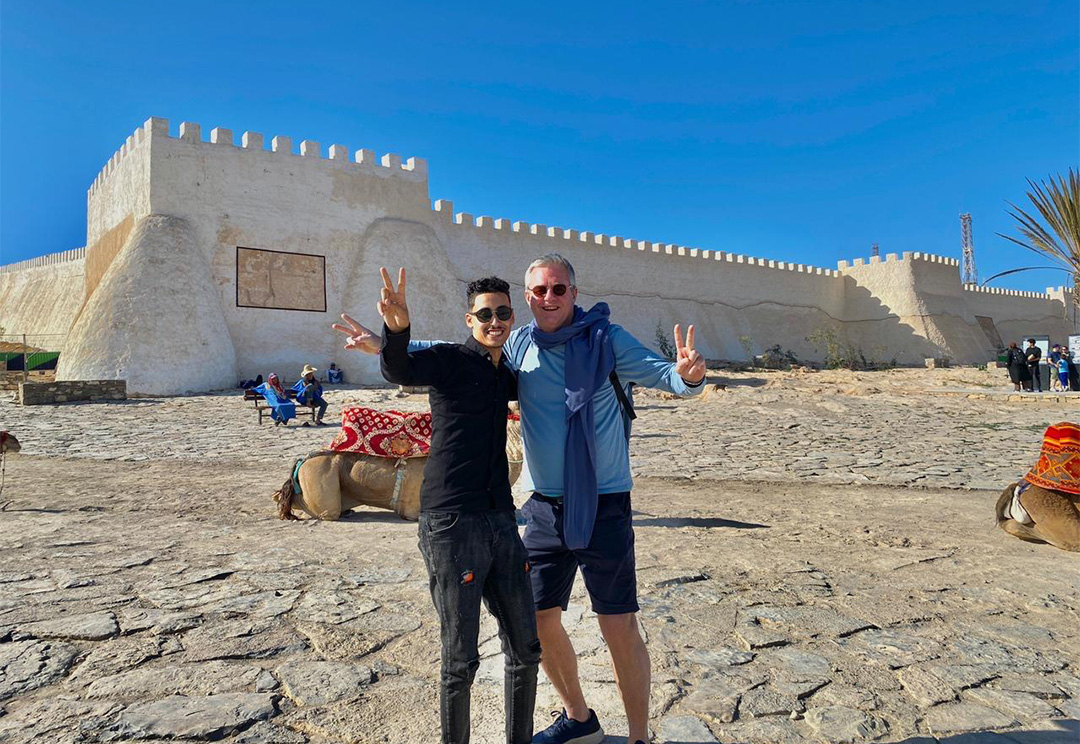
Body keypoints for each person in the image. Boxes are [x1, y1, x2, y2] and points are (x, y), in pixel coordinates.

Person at [337, 253, 706, 744]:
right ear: (528, 299)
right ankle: (579, 719)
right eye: (539, 291)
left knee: (618, 624)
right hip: (544, 507)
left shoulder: (608, 340)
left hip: (604, 504)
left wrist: (689, 376)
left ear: (574, 293)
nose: (548, 298)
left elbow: (670, 378)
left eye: (558, 289)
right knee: (534, 620)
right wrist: (390, 340)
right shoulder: (520, 343)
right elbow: (462, 351)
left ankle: (639, 737)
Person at [340, 269, 540, 744]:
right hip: (451, 523)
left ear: (512, 317)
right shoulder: (449, 360)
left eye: (503, 313)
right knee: (460, 660)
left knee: (526, 650)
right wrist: (396, 331)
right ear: (470, 319)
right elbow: (401, 370)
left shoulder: (505, 375)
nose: (495, 321)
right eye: (485, 314)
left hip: (500, 518)